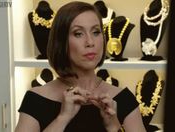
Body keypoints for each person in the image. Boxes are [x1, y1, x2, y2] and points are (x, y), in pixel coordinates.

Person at [15, 1, 146, 132]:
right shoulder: (35, 100)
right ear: (61, 42)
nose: (90, 42)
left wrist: (113, 126)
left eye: (96, 32)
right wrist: (62, 118)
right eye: (78, 33)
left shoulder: (124, 100)